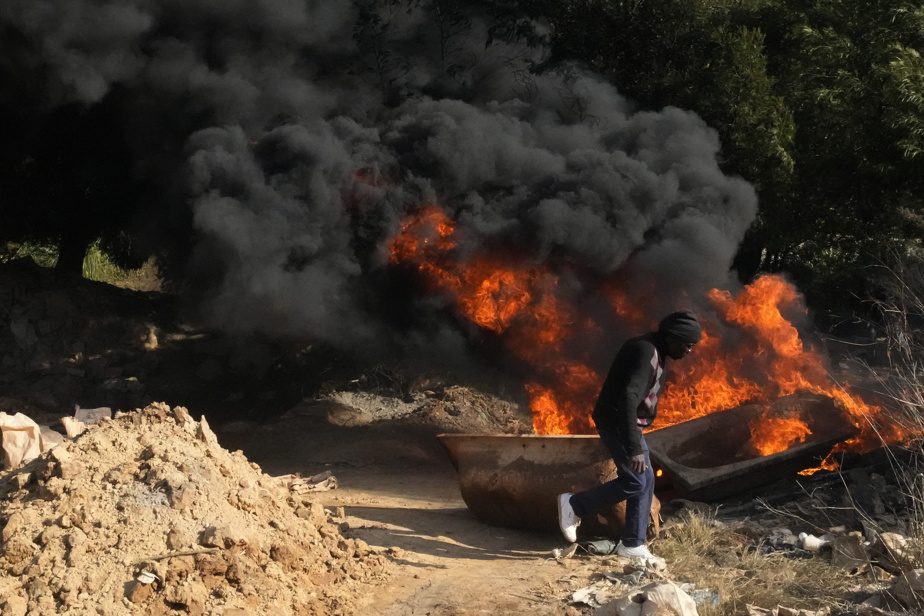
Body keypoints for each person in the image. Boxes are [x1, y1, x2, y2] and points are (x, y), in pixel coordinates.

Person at [557, 309, 702, 559]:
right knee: (635, 481)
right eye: (687, 345)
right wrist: (634, 448)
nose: (689, 351)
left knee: (647, 481)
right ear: (672, 337)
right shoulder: (647, 352)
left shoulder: (656, 350)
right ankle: (574, 504)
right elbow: (628, 398)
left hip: (630, 425)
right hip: (618, 424)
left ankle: (632, 544)